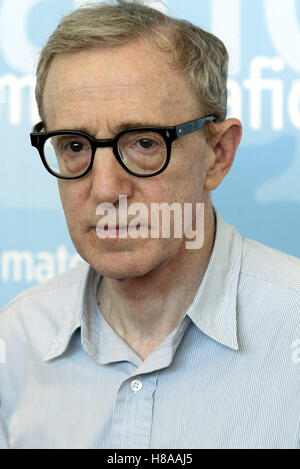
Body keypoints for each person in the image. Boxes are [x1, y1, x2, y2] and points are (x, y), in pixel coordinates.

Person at [0, 0, 299, 450]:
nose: (104, 189)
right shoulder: (17, 338)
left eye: (143, 143)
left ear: (217, 155)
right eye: (75, 145)